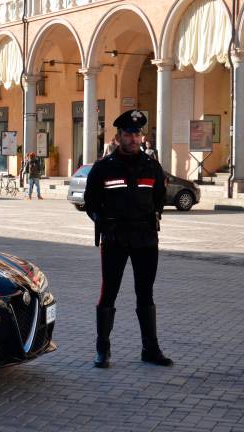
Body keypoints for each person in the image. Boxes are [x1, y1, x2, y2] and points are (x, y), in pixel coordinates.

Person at [84, 109, 173, 369]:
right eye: (128, 134)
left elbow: (159, 198)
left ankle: (150, 349)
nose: (134, 139)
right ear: (118, 137)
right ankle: (102, 349)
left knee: (145, 292)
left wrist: (149, 217)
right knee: (108, 292)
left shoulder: (151, 166)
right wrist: (105, 224)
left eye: (137, 134)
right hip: (115, 239)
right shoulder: (103, 168)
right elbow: (91, 203)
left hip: (146, 239)